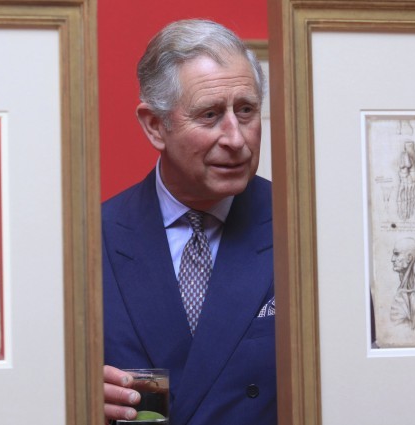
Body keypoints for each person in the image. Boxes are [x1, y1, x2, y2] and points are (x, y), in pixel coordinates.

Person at [101, 19, 276, 425]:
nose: (235, 138)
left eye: (246, 110)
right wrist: (74, 397)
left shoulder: (306, 229)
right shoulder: (92, 239)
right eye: (211, 114)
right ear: (155, 126)